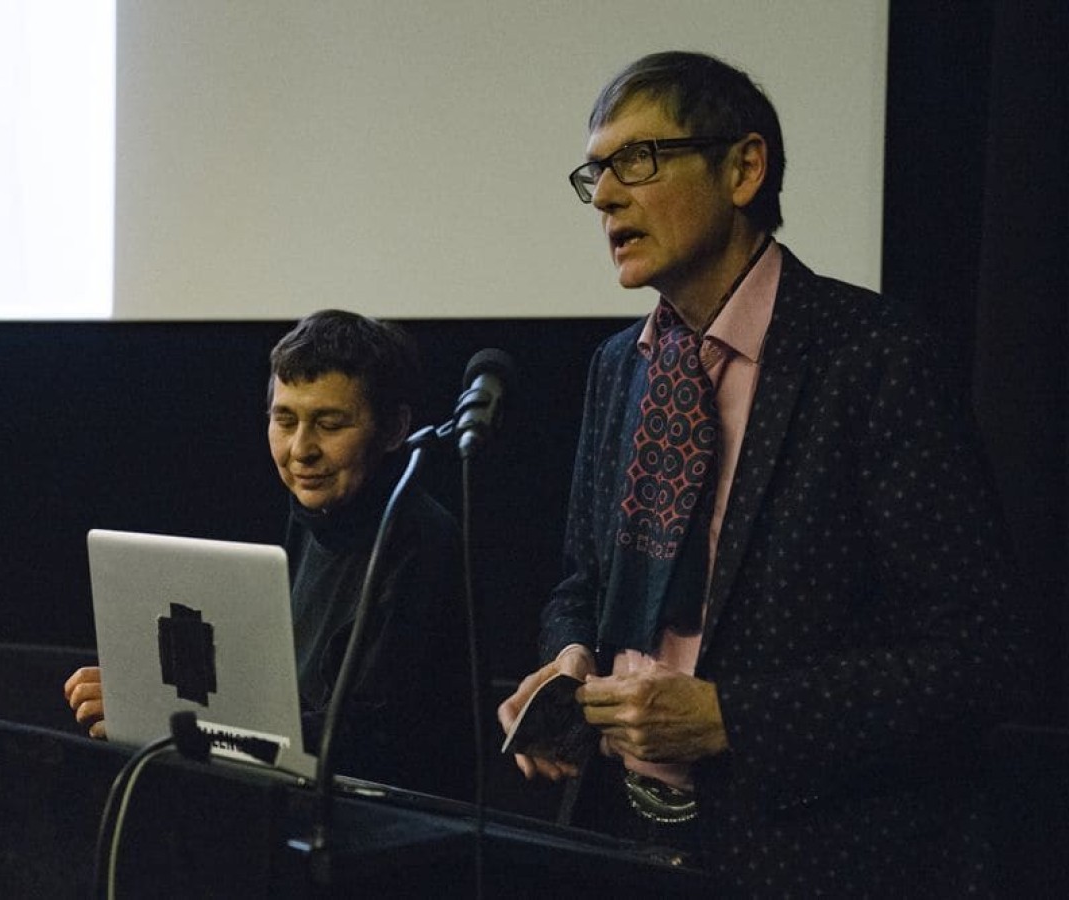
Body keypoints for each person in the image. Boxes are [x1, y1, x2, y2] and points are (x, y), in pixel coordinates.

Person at [497, 51, 1031, 893]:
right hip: (622, 834)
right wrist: (569, 660)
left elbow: (980, 658)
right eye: (595, 171)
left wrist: (730, 719)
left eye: (639, 160)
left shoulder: (876, 356)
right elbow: (582, 582)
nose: (604, 195)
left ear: (744, 167)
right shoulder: (619, 367)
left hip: (815, 855)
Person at [66, 309, 473, 799]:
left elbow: (370, 742)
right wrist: (143, 702)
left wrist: (165, 721)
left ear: (393, 429)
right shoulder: (297, 514)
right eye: (285, 420)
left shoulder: (424, 540)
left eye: (329, 423)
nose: (301, 449)